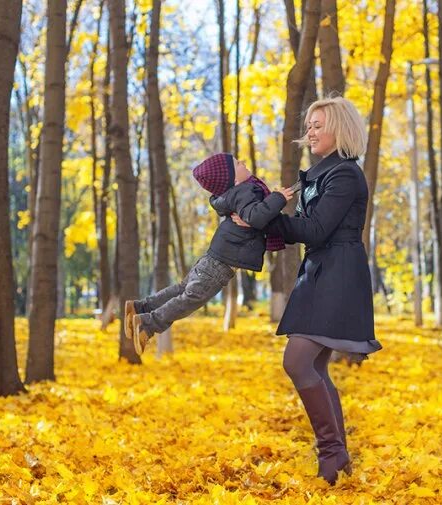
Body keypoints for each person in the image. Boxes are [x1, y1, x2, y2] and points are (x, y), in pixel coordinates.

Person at [233, 96, 382, 485]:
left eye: (319, 125)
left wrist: (265, 219)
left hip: (337, 273)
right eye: (309, 125)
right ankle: (337, 457)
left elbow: (314, 229)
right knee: (313, 366)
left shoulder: (345, 175)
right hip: (318, 270)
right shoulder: (319, 175)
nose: (310, 132)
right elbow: (305, 230)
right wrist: (260, 220)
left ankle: (332, 454)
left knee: (298, 362)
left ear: (340, 130)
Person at [124, 153, 295, 355]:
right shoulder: (247, 190)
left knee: (182, 289)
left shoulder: (234, 194)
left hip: (215, 257)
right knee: (191, 298)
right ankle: (148, 324)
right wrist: (278, 198)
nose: (243, 163)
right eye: (238, 164)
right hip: (220, 263)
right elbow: (255, 217)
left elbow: (253, 217)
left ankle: (139, 307)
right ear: (233, 179)